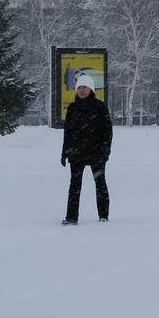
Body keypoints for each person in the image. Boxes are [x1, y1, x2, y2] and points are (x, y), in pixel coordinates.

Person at [61, 80, 114, 224]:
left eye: (84, 87)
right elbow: (68, 132)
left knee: (100, 183)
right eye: (79, 87)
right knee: (75, 185)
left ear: (91, 89)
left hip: (96, 152)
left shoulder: (100, 107)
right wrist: (65, 152)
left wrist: (105, 151)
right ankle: (71, 218)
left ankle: (103, 216)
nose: (81, 90)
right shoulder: (72, 108)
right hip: (76, 153)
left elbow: (107, 131)